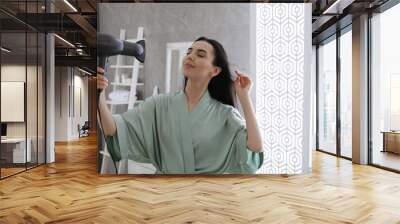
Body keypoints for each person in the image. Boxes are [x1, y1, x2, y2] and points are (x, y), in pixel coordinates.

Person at [97, 37, 264, 174]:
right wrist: (99, 94)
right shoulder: (159, 105)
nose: (190, 56)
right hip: (167, 198)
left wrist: (244, 97)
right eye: (189, 52)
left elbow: (254, 150)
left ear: (215, 71)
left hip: (209, 201)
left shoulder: (225, 114)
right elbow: (113, 130)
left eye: (200, 54)